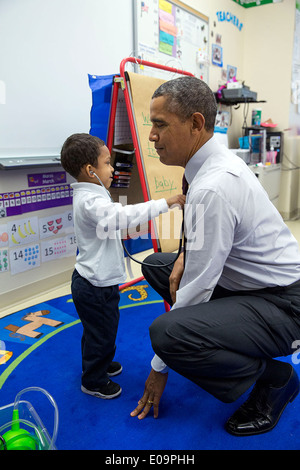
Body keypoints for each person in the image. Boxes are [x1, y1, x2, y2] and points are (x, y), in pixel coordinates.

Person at [130, 76, 300, 436]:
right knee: (161, 266)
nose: (151, 137)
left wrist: (160, 366)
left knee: (167, 334)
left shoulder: (213, 185)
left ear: (195, 123)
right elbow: (196, 240)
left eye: (160, 125)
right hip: (256, 288)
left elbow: (198, 286)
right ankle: (222, 349)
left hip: (287, 304)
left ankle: (276, 379)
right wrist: (182, 254)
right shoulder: (203, 166)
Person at [60, 133, 185, 399]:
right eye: (107, 163)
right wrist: (166, 202)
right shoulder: (90, 201)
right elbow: (122, 217)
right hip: (93, 286)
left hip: (98, 282)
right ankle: (93, 380)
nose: (113, 168)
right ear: (90, 170)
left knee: (102, 329)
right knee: (100, 334)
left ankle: (100, 362)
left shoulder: (94, 194)